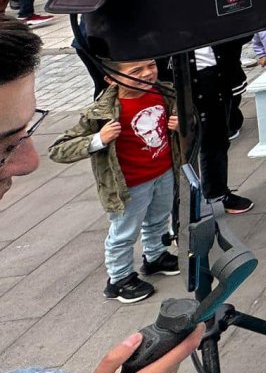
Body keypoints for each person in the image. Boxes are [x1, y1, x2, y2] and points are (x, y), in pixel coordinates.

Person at [48, 57, 180, 304]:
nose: (148, 73)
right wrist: (99, 138)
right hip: (128, 185)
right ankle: (119, 279)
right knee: (124, 232)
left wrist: (181, 123)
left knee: (159, 218)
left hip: (163, 172)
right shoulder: (101, 112)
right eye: (136, 70)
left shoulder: (165, 93)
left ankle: (155, 256)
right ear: (111, 79)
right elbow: (58, 149)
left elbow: (185, 120)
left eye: (151, 65)